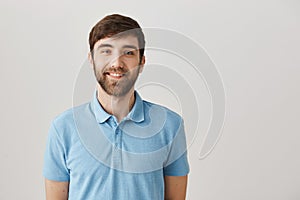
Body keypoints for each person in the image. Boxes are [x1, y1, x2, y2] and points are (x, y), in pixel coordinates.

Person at [43, 14, 189, 200]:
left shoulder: (170, 125)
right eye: (106, 51)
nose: (116, 64)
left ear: (142, 62)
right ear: (91, 59)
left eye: (128, 53)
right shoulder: (63, 128)